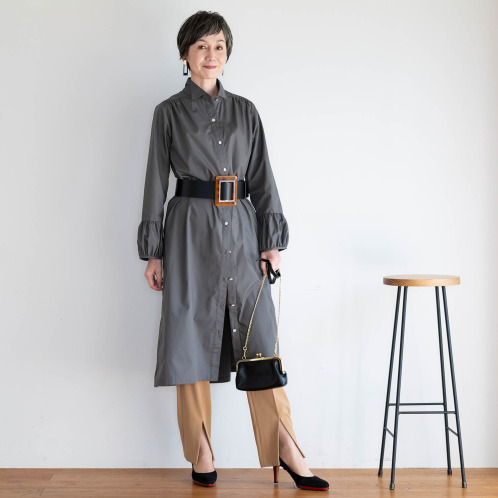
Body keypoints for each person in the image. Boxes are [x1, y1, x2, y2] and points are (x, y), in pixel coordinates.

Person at [137, 10, 329, 491]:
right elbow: (155, 181)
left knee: (259, 339)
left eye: (219, 46)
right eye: (202, 46)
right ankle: (201, 449)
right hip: (188, 233)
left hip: (242, 232)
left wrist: (271, 241)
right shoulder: (168, 112)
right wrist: (154, 251)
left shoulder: (246, 111)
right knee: (188, 335)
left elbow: (263, 177)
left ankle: (285, 445)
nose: (211, 55)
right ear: (185, 54)